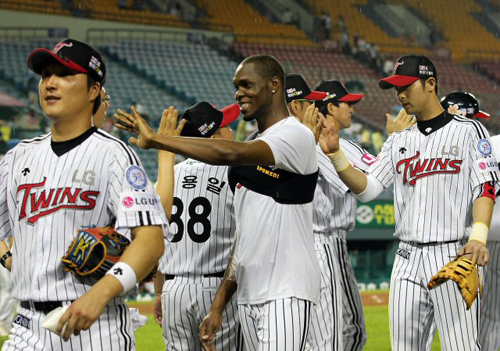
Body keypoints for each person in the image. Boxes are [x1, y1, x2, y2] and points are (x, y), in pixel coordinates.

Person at [115, 54, 321, 351]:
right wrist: (218, 305)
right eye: (236, 86)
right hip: (248, 291)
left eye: (247, 84)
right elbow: (244, 242)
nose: (239, 93)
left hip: (286, 289)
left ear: (275, 84)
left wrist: (159, 141)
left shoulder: (294, 134)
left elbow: (230, 153)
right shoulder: (254, 149)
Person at [319, 54, 497, 351]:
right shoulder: (398, 140)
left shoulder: (468, 130)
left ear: (430, 84)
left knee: (462, 346)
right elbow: (369, 188)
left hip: (452, 253)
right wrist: (336, 155)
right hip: (406, 258)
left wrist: (479, 236)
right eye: (396, 88)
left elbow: (486, 186)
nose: (400, 94)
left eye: (406, 86)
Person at [0, 39, 167, 350]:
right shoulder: (16, 158)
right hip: (26, 325)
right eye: (46, 74)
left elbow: (151, 239)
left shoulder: (114, 155)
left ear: (93, 91)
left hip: (94, 327)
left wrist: (100, 292)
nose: (50, 83)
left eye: (64, 74)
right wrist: (10, 257)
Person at [152, 102, 245, 350]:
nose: (231, 131)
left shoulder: (165, 176)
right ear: (213, 137)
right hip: (216, 290)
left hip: (173, 289)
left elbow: (157, 239)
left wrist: (160, 292)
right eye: (227, 127)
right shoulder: (234, 173)